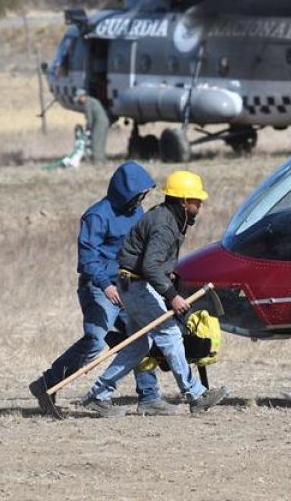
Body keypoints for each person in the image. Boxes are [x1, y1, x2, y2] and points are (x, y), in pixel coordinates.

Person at [29, 162, 171, 417]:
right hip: (98, 286)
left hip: (128, 283)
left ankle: (149, 397)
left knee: (142, 333)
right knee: (95, 342)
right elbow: (87, 260)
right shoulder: (96, 216)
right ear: (125, 191)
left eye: (144, 194)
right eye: (140, 193)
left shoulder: (137, 213)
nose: (143, 198)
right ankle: (46, 385)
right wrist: (106, 286)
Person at [82, 171, 228, 416]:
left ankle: (99, 395)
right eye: (196, 201)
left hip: (132, 284)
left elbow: (154, 262)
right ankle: (196, 394)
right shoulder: (165, 224)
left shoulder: (169, 218)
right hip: (136, 286)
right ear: (183, 201)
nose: (199, 205)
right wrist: (172, 295)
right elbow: (150, 266)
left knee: (139, 347)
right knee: (170, 334)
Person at [75, 89, 109, 165]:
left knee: (96, 141)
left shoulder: (88, 103)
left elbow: (89, 118)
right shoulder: (92, 100)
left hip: (99, 123)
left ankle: (98, 161)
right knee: (101, 141)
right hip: (103, 121)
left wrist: (87, 127)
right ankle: (101, 159)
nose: (79, 101)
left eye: (79, 98)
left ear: (83, 96)